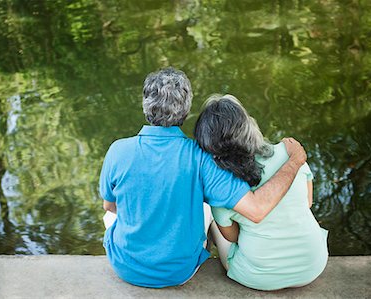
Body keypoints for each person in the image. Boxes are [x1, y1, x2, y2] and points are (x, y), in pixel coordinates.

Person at [99, 67, 307, 288]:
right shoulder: (201, 157)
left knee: (110, 217)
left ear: (145, 105)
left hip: (125, 267)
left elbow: (109, 206)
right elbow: (256, 209)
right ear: (187, 109)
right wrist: (294, 161)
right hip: (179, 272)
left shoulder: (117, 151)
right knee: (209, 210)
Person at [194, 94, 329, 291]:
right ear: (248, 125)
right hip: (312, 266)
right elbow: (307, 202)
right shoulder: (290, 152)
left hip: (258, 277)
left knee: (214, 219)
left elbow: (234, 238)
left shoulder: (222, 188)